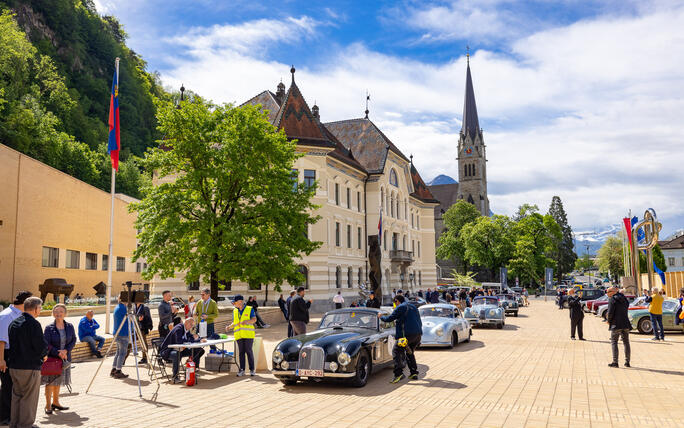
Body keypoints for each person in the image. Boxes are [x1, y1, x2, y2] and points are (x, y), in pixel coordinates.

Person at [8, 296, 47, 428]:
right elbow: (40, 346)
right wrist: (44, 355)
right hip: (29, 366)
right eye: (40, 308)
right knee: (29, 398)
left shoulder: (14, 322)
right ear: (35, 309)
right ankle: (25, 425)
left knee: (17, 396)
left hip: (14, 366)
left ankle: (15, 423)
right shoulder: (34, 324)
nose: (40, 311)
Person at [0, 291, 32, 425]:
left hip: (13, 354)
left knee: (12, 386)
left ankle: (10, 416)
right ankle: (4, 417)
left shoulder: (18, 314)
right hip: (5, 354)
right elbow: (1, 340)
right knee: (7, 386)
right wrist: (1, 359)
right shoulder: (6, 316)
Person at [379, 295, 422, 383]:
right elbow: (419, 321)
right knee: (409, 352)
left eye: (395, 302)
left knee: (396, 351)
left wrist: (381, 317)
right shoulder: (413, 306)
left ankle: (398, 374)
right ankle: (414, 372)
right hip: (417, 335)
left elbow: (389, 318)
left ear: (397, 301)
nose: (395, 305)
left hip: (406, 336)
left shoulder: (400, 307)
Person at [42, 304, 75, 415]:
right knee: (50, 382)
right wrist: (58, 352)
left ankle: (56, 402)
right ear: (53, 314)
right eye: (56, 312)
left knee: (59, 381)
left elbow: (73, 340)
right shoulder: (49, 328)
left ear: (65, 313)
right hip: (53, 359)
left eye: (61, 311)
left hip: (65, 358)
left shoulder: (69, 326)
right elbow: (46, 344)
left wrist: (66, 350)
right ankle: (47, 405)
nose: (58, 314)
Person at [160, 318, 205, 382]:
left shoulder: (186, 329)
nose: (192, 327)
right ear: (186, 323)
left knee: (198, 350)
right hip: (167, 351)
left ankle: (190, 372)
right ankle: (175, 377)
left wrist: (199, 340)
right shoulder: (178, 328)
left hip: (180, 349)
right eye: (191, 324)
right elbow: (179, 341)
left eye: (193, 325)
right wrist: (190, 340)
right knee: (177, 354)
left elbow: (191, 339)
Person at [226, 295, 257, 376]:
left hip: (248, 335)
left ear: (240, 302)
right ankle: (242, 370)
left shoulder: (249, 309)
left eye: (234, 302)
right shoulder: (234, 311)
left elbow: (254, 319)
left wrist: (247, 321)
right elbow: (235, 322)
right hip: (239, 335)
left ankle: (252, 370)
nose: (233, 303)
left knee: (249, 351)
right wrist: (230, 326)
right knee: (241, 353)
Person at [606, 287, 631, 368]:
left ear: (612, 292)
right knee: (626, 342)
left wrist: (608, 320)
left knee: (614, 342)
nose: (607, 294)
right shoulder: (624, 298)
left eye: (608, 292)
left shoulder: (612, 299)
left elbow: (610, 312)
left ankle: (615, 362)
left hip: (616, 324)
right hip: (625, 323)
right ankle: (627, 362)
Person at [111, 297, 129, 379]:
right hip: (123, 333)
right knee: (122, 353)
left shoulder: (117, 307)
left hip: (117, 333)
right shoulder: (124, 308)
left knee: (118, 352)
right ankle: (118, 371)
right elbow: (129, 320)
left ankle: (114, 369)